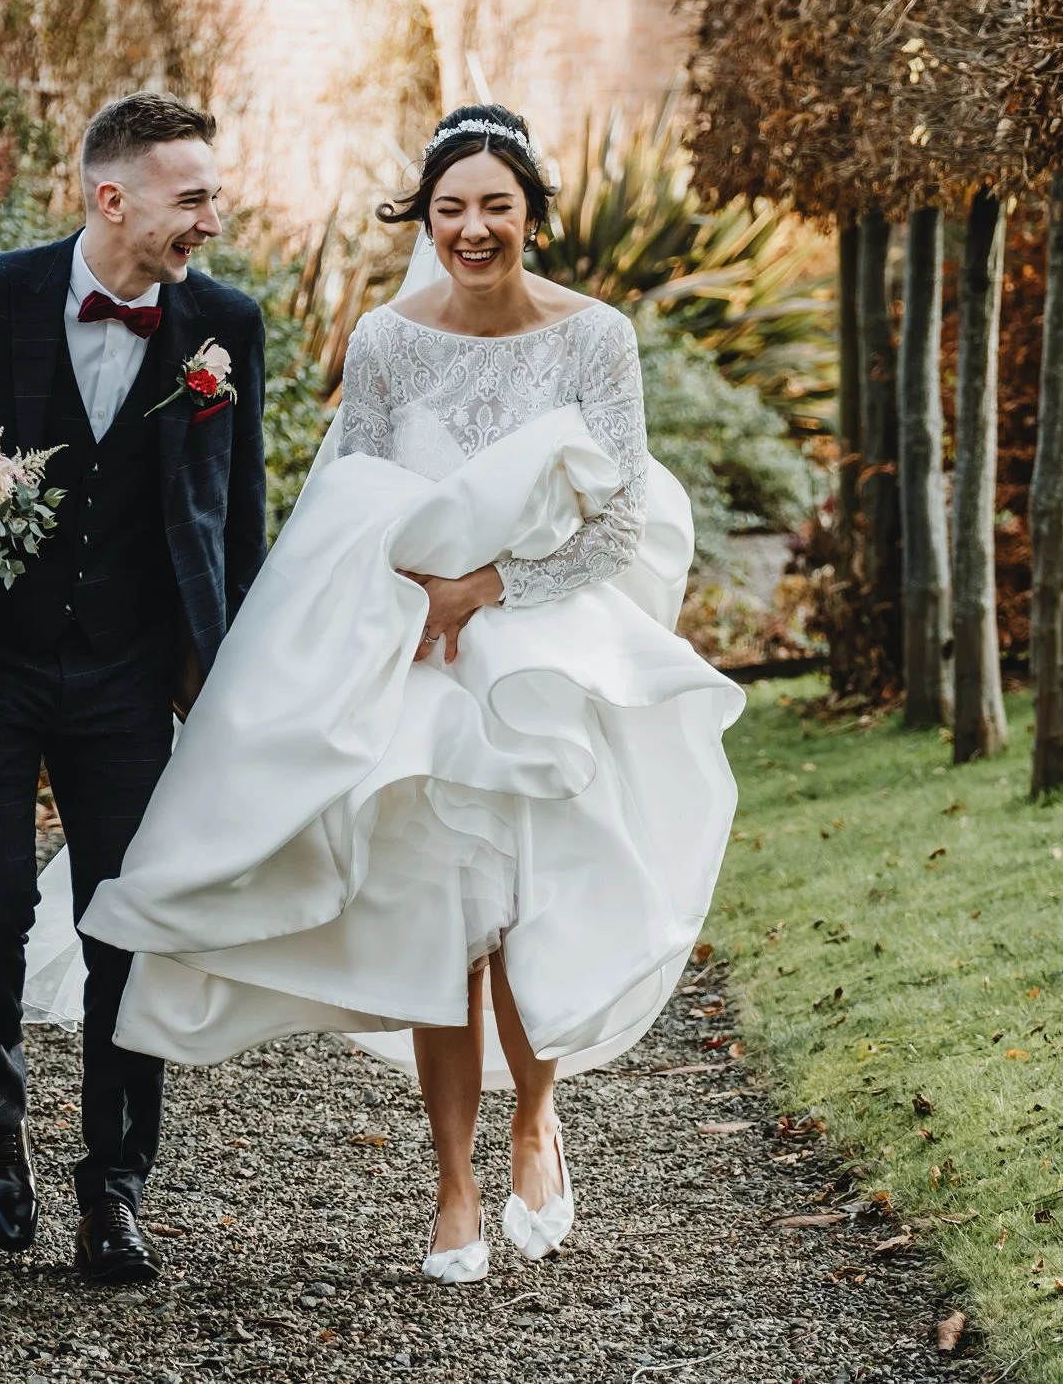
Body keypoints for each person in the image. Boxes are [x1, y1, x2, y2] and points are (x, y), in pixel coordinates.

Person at [75, 104, 744, 1284]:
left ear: (531, 212)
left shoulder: (598, 339)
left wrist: (492, 580)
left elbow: (621, 520)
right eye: (449, 208)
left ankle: (534, 1120)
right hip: (422, 654)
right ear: (422, 218)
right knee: (445, 912)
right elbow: (354, 492)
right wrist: (384, 605)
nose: (471, 229)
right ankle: (450, 1186)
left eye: (494, 206)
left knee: (524, 903)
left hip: (545, 647)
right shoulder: (385, 338)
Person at [0, 91, 267, 1286]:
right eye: (189, 196)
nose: (211, 215)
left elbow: (234, 513)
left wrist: (241, 670)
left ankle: (115, 1185)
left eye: (212, 192)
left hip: (128, 674)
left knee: (125, 928)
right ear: (112, 197)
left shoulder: (225, 327)